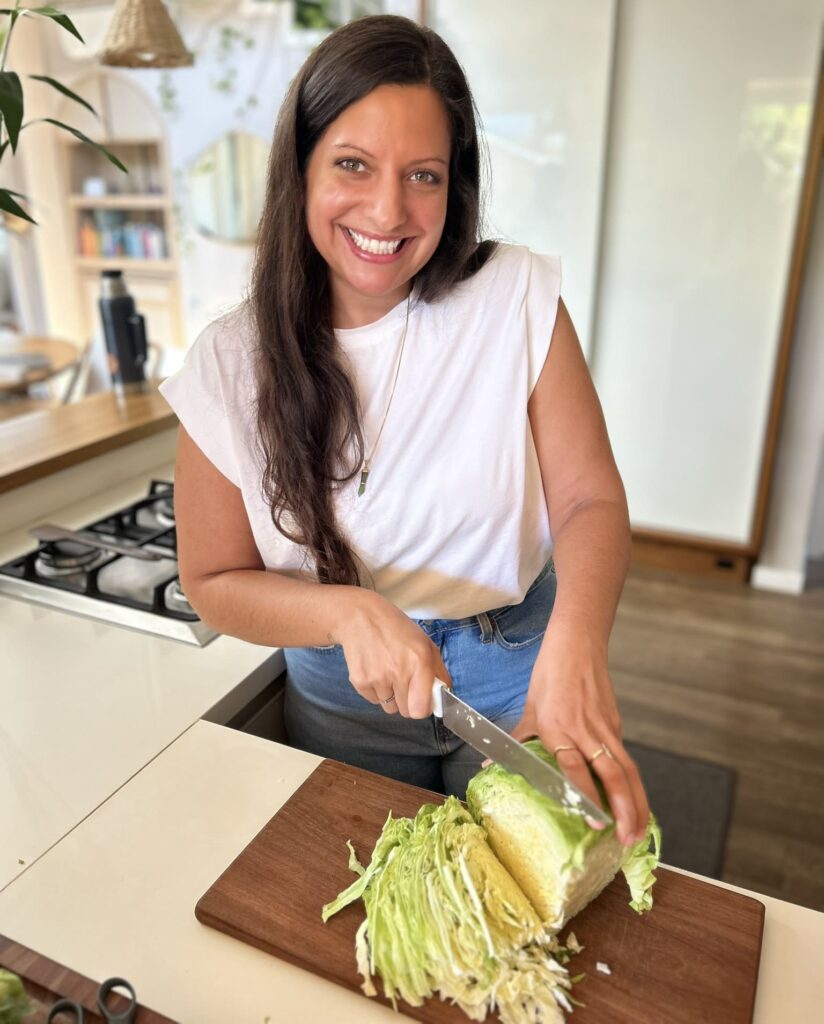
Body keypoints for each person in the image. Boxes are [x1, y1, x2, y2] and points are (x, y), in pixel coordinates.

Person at [160, 14, 650, 847]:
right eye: (352, 164)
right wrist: (347, 614)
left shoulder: (514, 297)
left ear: (455, 186)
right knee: (377, 907)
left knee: (541, 905)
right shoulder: (228, 363)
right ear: (301, 167)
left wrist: (576, 644)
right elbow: (211, 580)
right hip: (342, 691)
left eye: (423, 175)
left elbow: (589, 499)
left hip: (516, 665)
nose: (388, 210)